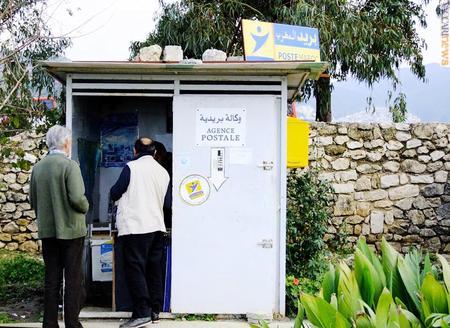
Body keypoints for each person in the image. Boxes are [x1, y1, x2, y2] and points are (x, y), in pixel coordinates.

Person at [29, 125, 89, 328]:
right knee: (73, 279)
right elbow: (77, 199)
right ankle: (72, 323)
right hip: (71, 230)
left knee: (51, 278)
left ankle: (49, 323)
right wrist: (86, 206)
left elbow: (32, 199)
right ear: (65, 143)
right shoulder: (69, 166)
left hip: (48, 231)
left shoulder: (38, 167)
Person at [110, 138, 170, 328]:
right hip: (157, 226)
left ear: (135, 151)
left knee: (135, 268)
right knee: (154, 269)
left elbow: (115, 192)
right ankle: (154, 310)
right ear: (154, 153)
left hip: (136, 227)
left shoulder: (131, 167)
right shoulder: (163, 172)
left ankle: (142, 312)